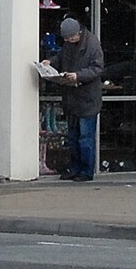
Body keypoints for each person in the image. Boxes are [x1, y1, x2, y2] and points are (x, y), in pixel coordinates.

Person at [46, 16, 104, 183]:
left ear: (78, 33)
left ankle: (86, 171)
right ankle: (75, 168)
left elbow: (97, 68)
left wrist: (78, 76)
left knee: (85, 138)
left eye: (70, 38)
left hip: (87, 99)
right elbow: (61, 57)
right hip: (72, 98)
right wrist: (49, 62)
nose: (68, 41)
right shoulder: (70, 44)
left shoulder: (92, 44)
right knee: (72, 137)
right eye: (66, 39)